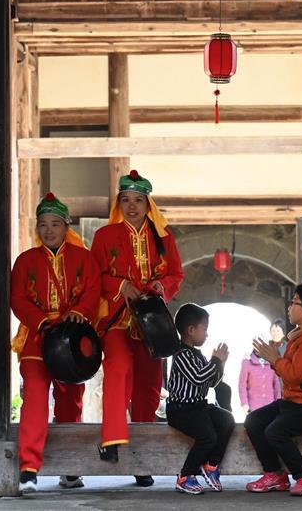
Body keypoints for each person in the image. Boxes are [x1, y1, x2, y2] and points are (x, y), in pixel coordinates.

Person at [91, 169, 184, 486]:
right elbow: (95, 275)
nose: (132, 206)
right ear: (119, 204)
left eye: (138, 200)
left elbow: (176, 274)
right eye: (126, 200)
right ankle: (111, 438)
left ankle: (142, 460)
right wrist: (121, 285)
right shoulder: (105, 236)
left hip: (151, 322)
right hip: (117, 317)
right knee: (119, 366)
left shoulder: (164, 237)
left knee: (149, 386)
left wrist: (161, 285)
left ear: (148, 204)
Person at [10, 193, 101, 493]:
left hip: (72, 340)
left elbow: (93, 290)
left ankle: (70, 469)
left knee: (71, 401)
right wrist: (41, 321)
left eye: (55, 224)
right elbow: (18, 299)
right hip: (37, 339)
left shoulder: (84, 258)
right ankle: (28, 468)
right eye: (43, 224)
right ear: (37, 227)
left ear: (66, 226)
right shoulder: (26, 261)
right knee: (35, 397)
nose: (48, 230)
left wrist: (79, 312)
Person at [245, 282, 302, 497]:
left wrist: (275, 359)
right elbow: (290, 375)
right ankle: (274, 474)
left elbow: (295, 376)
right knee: (254, 421)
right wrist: (275, 360)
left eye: (294, 302)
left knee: (275, 431)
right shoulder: (299, 336)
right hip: (294, 403)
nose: (289, 307)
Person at [166, 304, 233, 494]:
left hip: (199, 407)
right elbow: (197, 377)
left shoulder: (198, 355)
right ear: (191, 330)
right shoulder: (181, 355)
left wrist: (220, 364)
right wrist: (215, 361)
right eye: (204, 329)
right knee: (207, 437)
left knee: (226, 420)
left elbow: (211, 382)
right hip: (181, 410)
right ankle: (185, 476)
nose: (207, 334)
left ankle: (211, 466)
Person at [238, 335, 282, 415]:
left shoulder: (272, 361)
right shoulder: (247, 362)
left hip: (270, 405)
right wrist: (245, 404)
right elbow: (242, 385)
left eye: (263, 345)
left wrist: (279, 401)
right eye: (257, 344)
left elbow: (276, 384)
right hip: (254, 406)